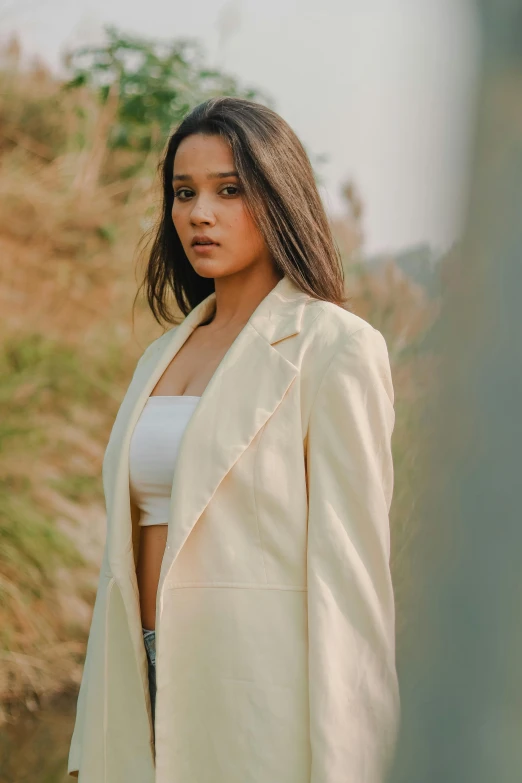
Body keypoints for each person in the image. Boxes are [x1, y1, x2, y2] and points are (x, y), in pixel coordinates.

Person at [67, 96, 399, 783]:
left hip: (254, 699)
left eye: (229, 190)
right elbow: (119, 561)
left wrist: (351, 762)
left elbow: (351, 583)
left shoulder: (335, 349)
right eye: (183, 193)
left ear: (277, 196)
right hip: (140, 679)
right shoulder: (161, 355)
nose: (199, 213)